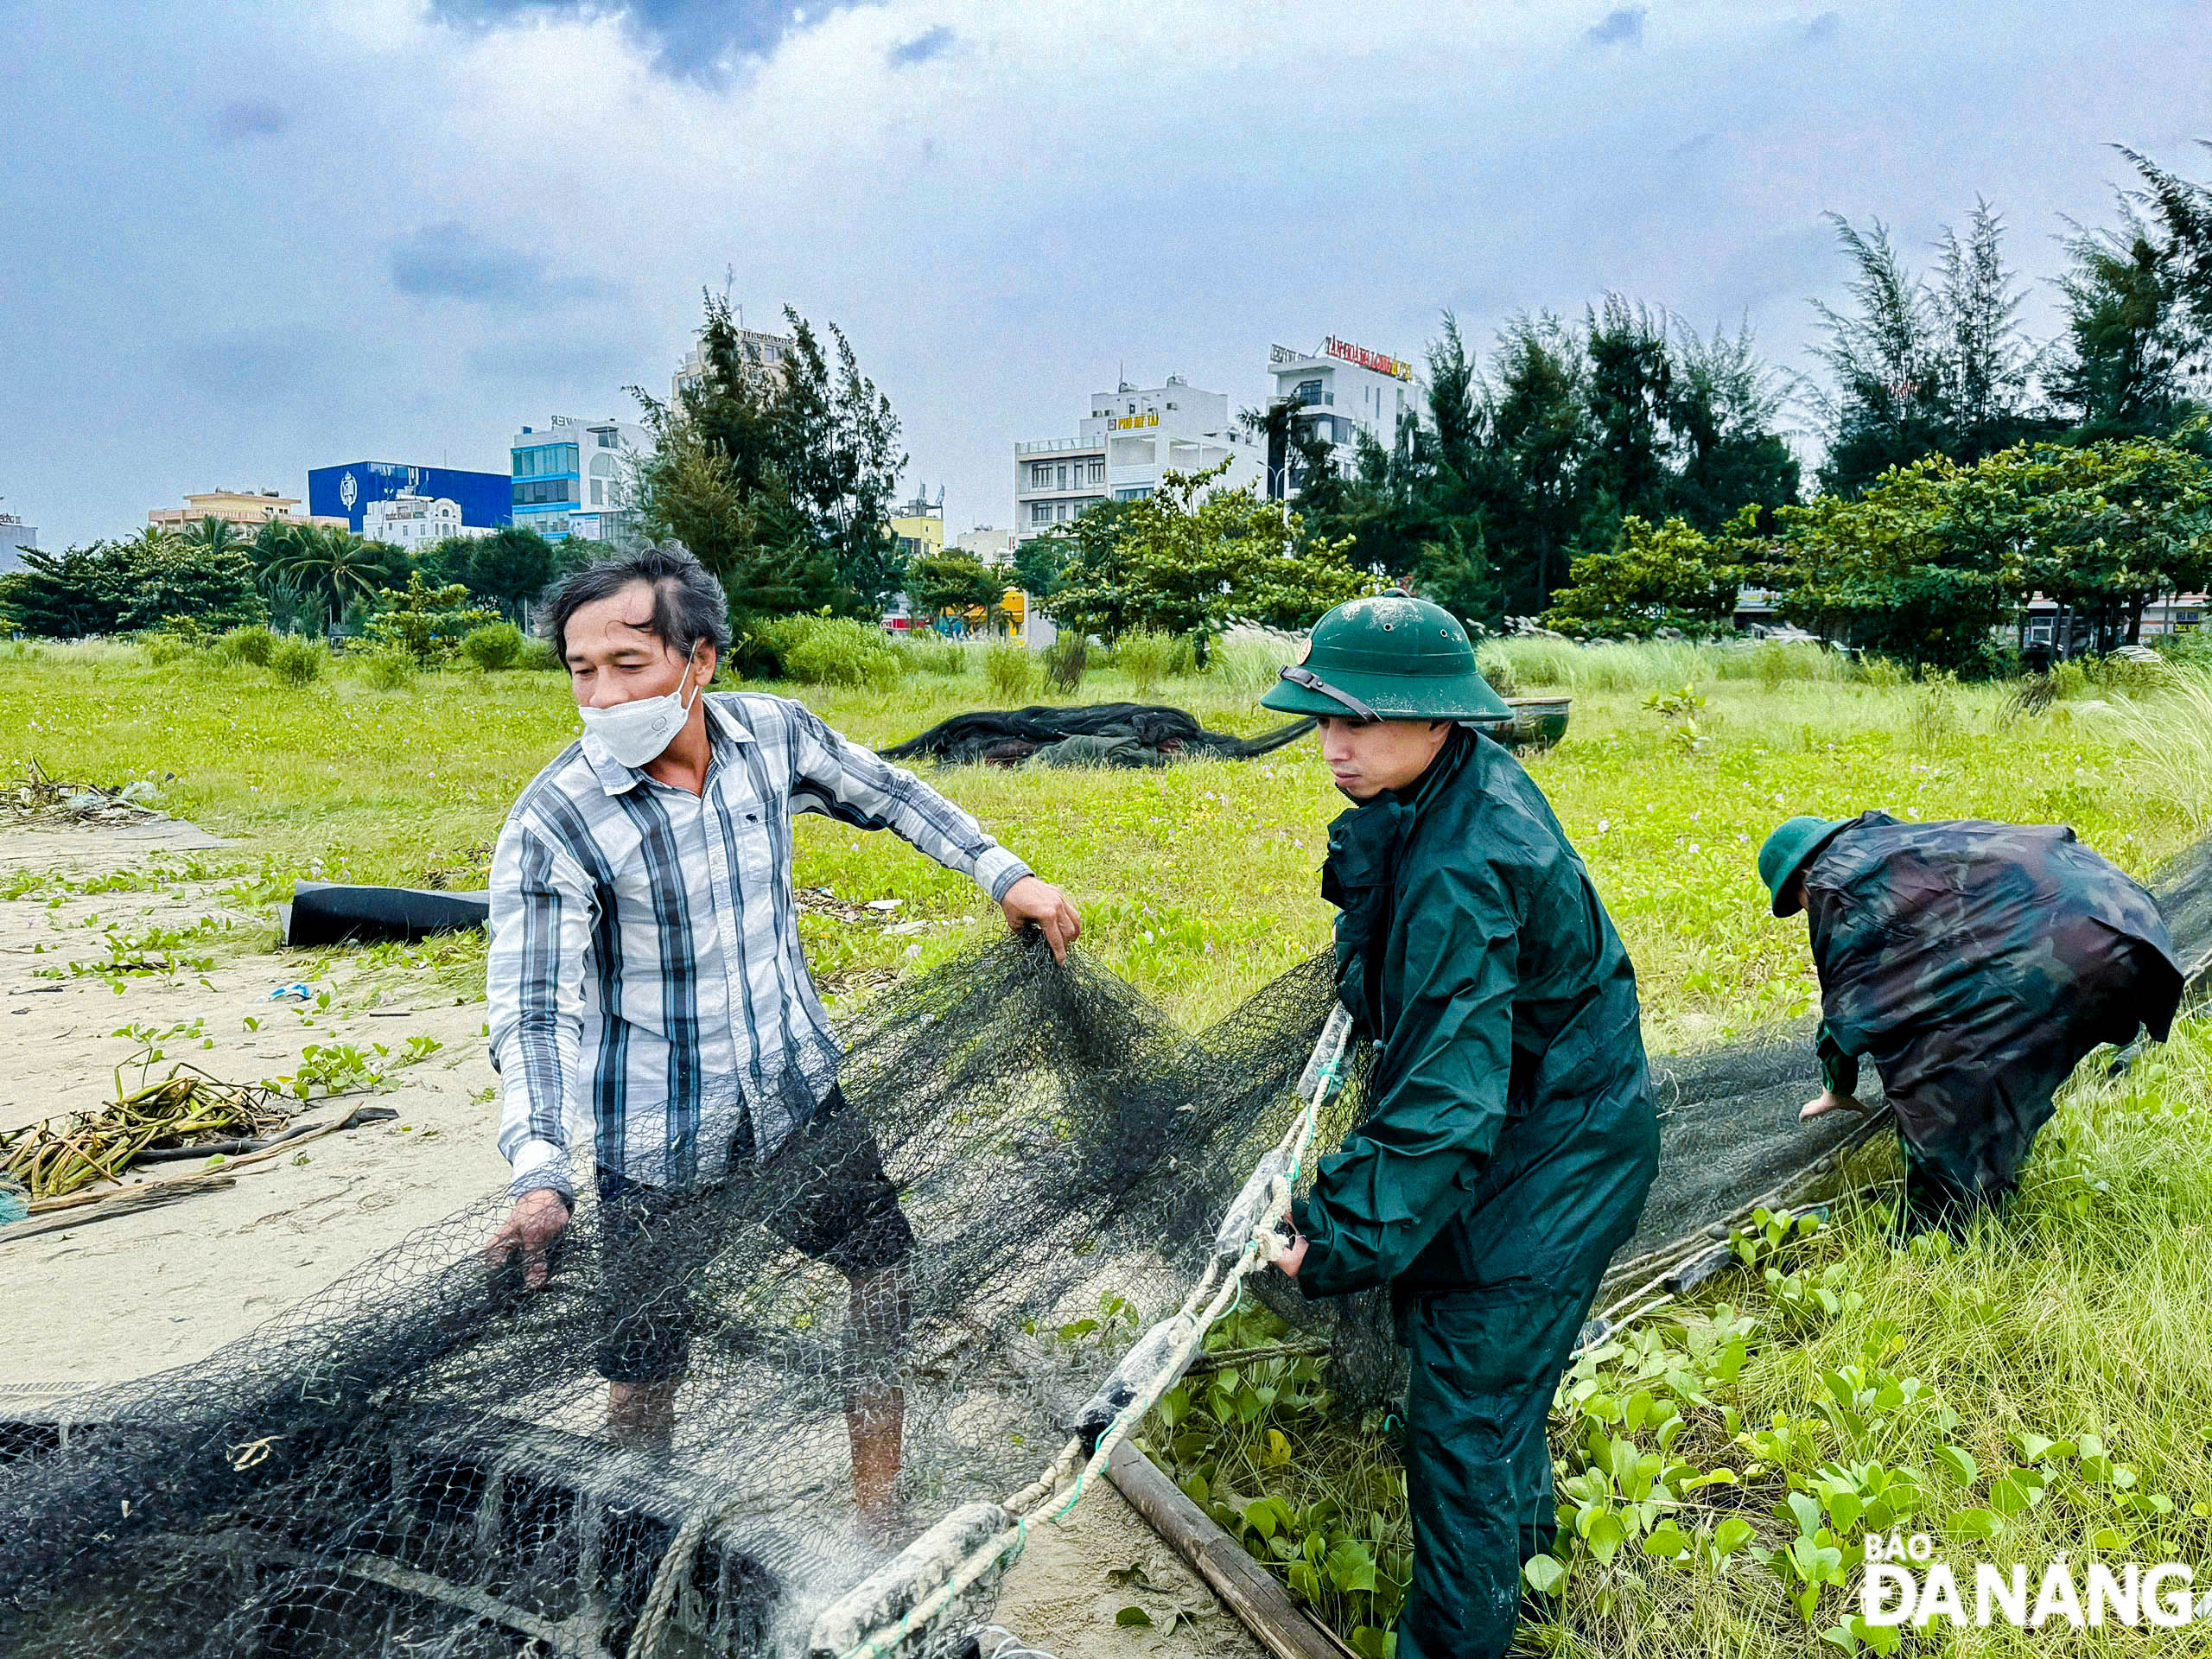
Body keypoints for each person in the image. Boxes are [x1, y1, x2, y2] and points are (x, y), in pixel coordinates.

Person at [481, 548, 1079, 1535]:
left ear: (699, 659)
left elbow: (891, 793)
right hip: (656, 1137)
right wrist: (540, 1171)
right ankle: (640, 1539)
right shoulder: (556, 818)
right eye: (579, 670)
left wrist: (1003, 874)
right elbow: (533, 1007)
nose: (600, 694)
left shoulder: (770, 735)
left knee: (883, 1276)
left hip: (796, 1094)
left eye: (628, 665)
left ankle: (876, 1509)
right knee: (644, 1372)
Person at [1261, 593, 1659, 1659]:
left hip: (1553, 1156)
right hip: (1549, 1125)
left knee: (1463, 1430)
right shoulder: (1446, 791)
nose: (1333, 746)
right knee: (1486, 1385)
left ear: (1441, 719)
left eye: (1360, 721)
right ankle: (1527, 1576)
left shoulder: (1464, 869)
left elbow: (1446, 1099)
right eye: (1322, 719)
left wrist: (1334, 1231)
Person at [1758, 811, 2183, 1236]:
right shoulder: (1898, 846)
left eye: (1795, 902)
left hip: (2062, 958)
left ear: (1801, 879)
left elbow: (1852, 1001)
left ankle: (1942, 1232)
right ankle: (1990, 1169)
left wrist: (1837, 1086)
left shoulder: (1837, 889)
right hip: (2127, 919)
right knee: (1989, 1040)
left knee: (1937, 1080)